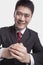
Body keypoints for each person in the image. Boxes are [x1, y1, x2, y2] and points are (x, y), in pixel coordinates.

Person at [0, 0, 43, 65]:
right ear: (14, 13)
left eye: (26, 15)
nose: (22, 19)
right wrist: (3, 52)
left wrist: (28, 58)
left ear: (31, 17)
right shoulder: (2, 31)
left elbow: (41, 55)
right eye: (19, 14)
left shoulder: (34, 35)